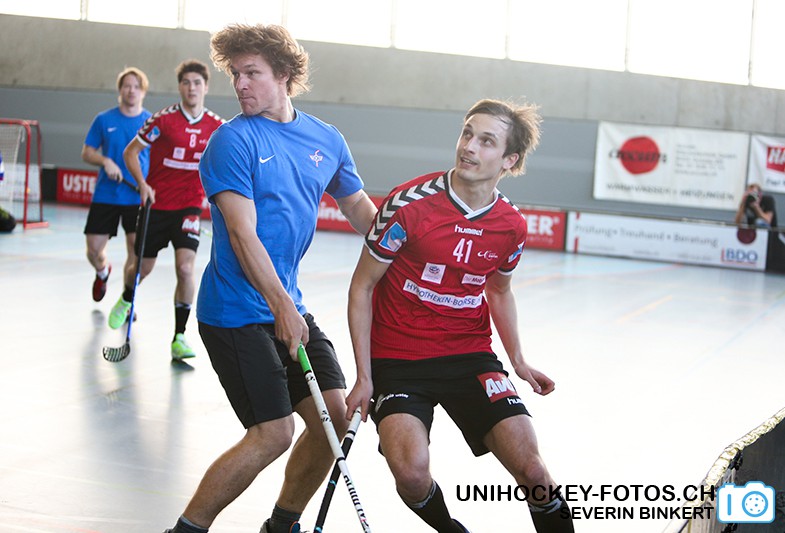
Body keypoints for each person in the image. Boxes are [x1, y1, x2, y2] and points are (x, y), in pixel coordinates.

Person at [162, 24, 378, 533]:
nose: (240, 84)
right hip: (235, 312)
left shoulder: (325, 139)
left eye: (251, 73)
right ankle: (186, 529)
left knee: (334, 421)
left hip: (287, 305)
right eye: (235, 74)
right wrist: (282, 306)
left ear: (283, 74)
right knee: (273, 433)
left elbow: (359, 209)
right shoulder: (231, 141)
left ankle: (281, 526)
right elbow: (242, 235)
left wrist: (405, 251)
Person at [345, 99, 575, 533]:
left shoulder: (511, 225)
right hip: (398, 358)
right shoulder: (407, 205)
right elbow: (362, 286)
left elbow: (499, 290)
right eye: (467, 133)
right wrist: (364, 376)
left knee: (534, 472)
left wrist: (518, 360)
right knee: (411, 474)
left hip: (469, 355)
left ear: (509, 160)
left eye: (486, 141)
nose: (468, 146)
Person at [108, 59, 224, 360]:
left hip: (189, 207)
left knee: (185, 268)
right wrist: (142, 184)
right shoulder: (163, 120)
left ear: (206, 87)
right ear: (180, 87)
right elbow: (130, 152)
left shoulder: (217, 127)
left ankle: (179, 337)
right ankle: (127, 297)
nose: (192, 88)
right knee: (142, 268)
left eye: (197, 83)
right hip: (156, 205)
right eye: (186, 82)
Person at [81, 67, 151, 303]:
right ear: (120, 90)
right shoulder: (104, 119)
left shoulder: (151, 123)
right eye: (127, 86)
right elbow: (87, 152)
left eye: (136, 87)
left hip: (136, 197)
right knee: (93, 250)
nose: (131, 91)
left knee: (134, 252)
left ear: (143, 92)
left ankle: (127, 300)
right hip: (106, 194)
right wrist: (105, 161)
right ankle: (102, 272)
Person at [735, 182, 784, 272]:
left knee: (760, 222)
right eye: (750, 193)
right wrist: (743, 204)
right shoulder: (747, 202)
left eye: (754, 193)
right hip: (752, 236)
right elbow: (737, 222)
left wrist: (756, 207)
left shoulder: (768, 200)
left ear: (760, 194)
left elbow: (767, 220)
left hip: (770, 235)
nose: (752, 196)